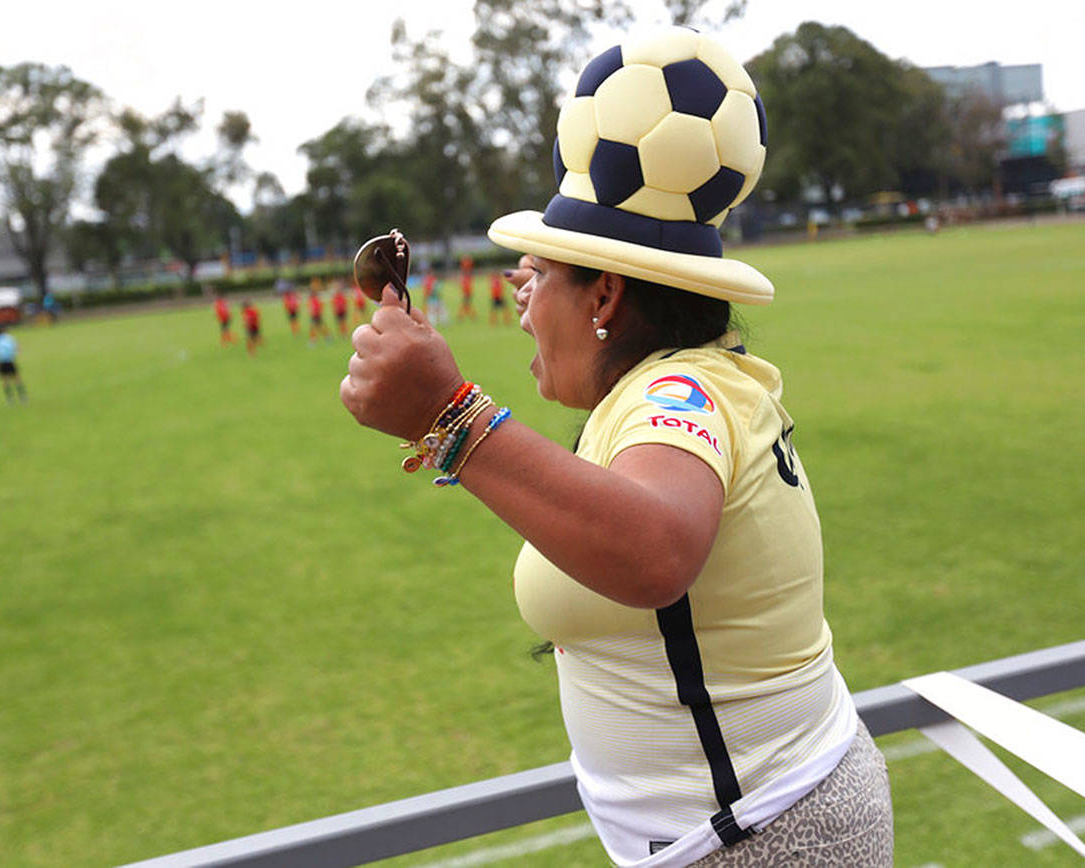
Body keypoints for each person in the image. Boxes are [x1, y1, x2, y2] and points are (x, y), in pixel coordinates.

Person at [340, 29, 891, 868]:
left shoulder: (680, 395)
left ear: (604, 293)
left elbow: (654, 548)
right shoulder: (670, 387)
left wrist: (450, 417)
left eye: (540, 269)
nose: (519, 293)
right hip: (759, 823)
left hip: (763, 840)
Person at [0, 325, 27, 404]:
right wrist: (16, 353)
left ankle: (10, 399)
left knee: (5, 381)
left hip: (1, 362)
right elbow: (17, 346)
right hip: (10, 360)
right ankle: (22, 397)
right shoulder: (9, 337)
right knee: (17, 379)